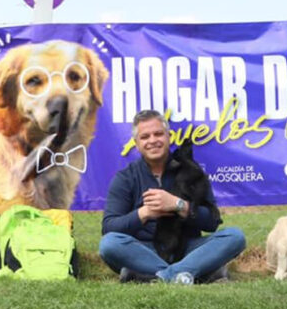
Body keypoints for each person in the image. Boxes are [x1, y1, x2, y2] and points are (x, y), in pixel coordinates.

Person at [98, 109, 246, 284]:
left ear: (169, 137)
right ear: (136, 144)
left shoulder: (191, 171)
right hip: (145, 251)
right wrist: (144, 213)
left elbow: (212, 223)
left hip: (188, 248)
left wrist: (179, 205)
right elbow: (109, 228)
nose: (153, 140)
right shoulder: (125, 178)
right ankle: (194, 272)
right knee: (109, 244)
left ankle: (157, 276)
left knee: (235, 237)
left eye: (158, 134)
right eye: (145, 137)